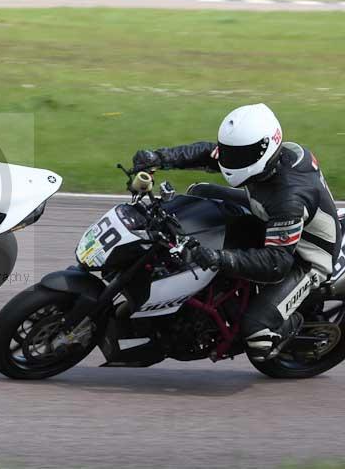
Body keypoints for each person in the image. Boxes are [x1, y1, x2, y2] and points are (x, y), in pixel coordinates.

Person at [132, 103, 341, 361]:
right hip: (267, 218)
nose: (229, 160)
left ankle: (286, 329)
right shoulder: (264, 158)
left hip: (304, 257)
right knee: (200, 194)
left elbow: (276, 263)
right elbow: (207, 153)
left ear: (265, 147)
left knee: (256, 334)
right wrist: (159, 158)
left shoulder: (289, 198)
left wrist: (219, 259)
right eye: (230, 152)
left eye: (239, 155)